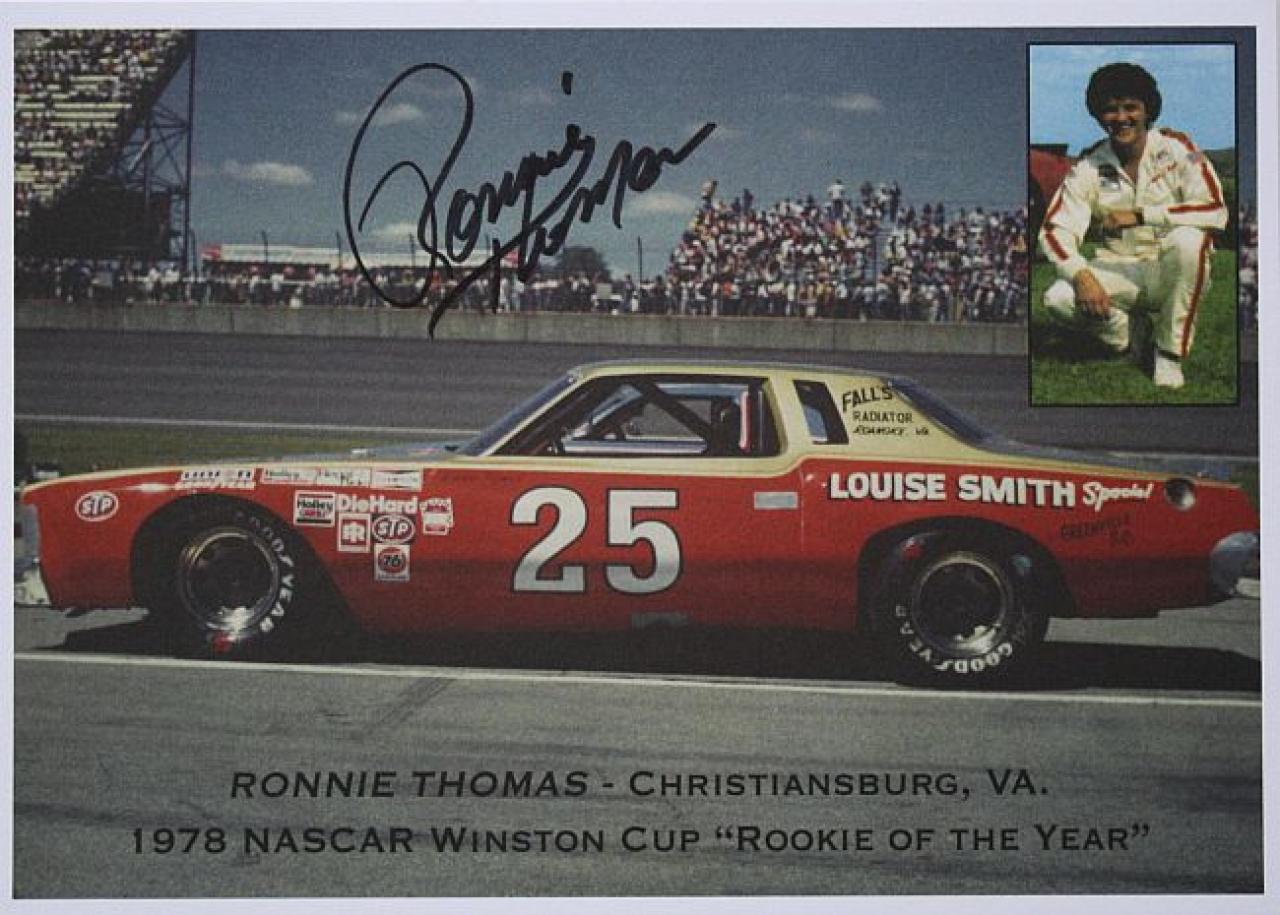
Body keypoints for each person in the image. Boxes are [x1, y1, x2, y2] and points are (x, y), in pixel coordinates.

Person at [1038, 62, 1228, 388]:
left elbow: (1215, 210)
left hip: (1171, 270)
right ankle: (1128, 335)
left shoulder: (1181, 148)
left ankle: (1169, 354)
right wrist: (1082, 276)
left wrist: (1142, 215)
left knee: (1189, 241)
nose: (1121, 117)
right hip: (1119, 269)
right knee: (1058, 298)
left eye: (1130, 107)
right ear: (1098, 116)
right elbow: (1056, 230)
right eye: (1110, 110)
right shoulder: (1088, 166)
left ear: (1147, 109)